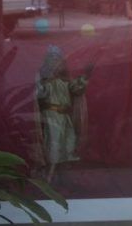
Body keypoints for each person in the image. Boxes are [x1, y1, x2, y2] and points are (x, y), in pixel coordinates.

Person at [36, 46, 92, 181]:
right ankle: (49, 176)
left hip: (65, 116)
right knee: (54, 143)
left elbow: (76, 89)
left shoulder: (65, 79)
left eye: (57, 58)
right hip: (51, 115)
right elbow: (40, 94)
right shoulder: (43, 78)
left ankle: (60, 175)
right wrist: (42, 82)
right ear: (47, 61)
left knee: (68, 142)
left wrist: (85, 76)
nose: (55, 61)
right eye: (52, 58)